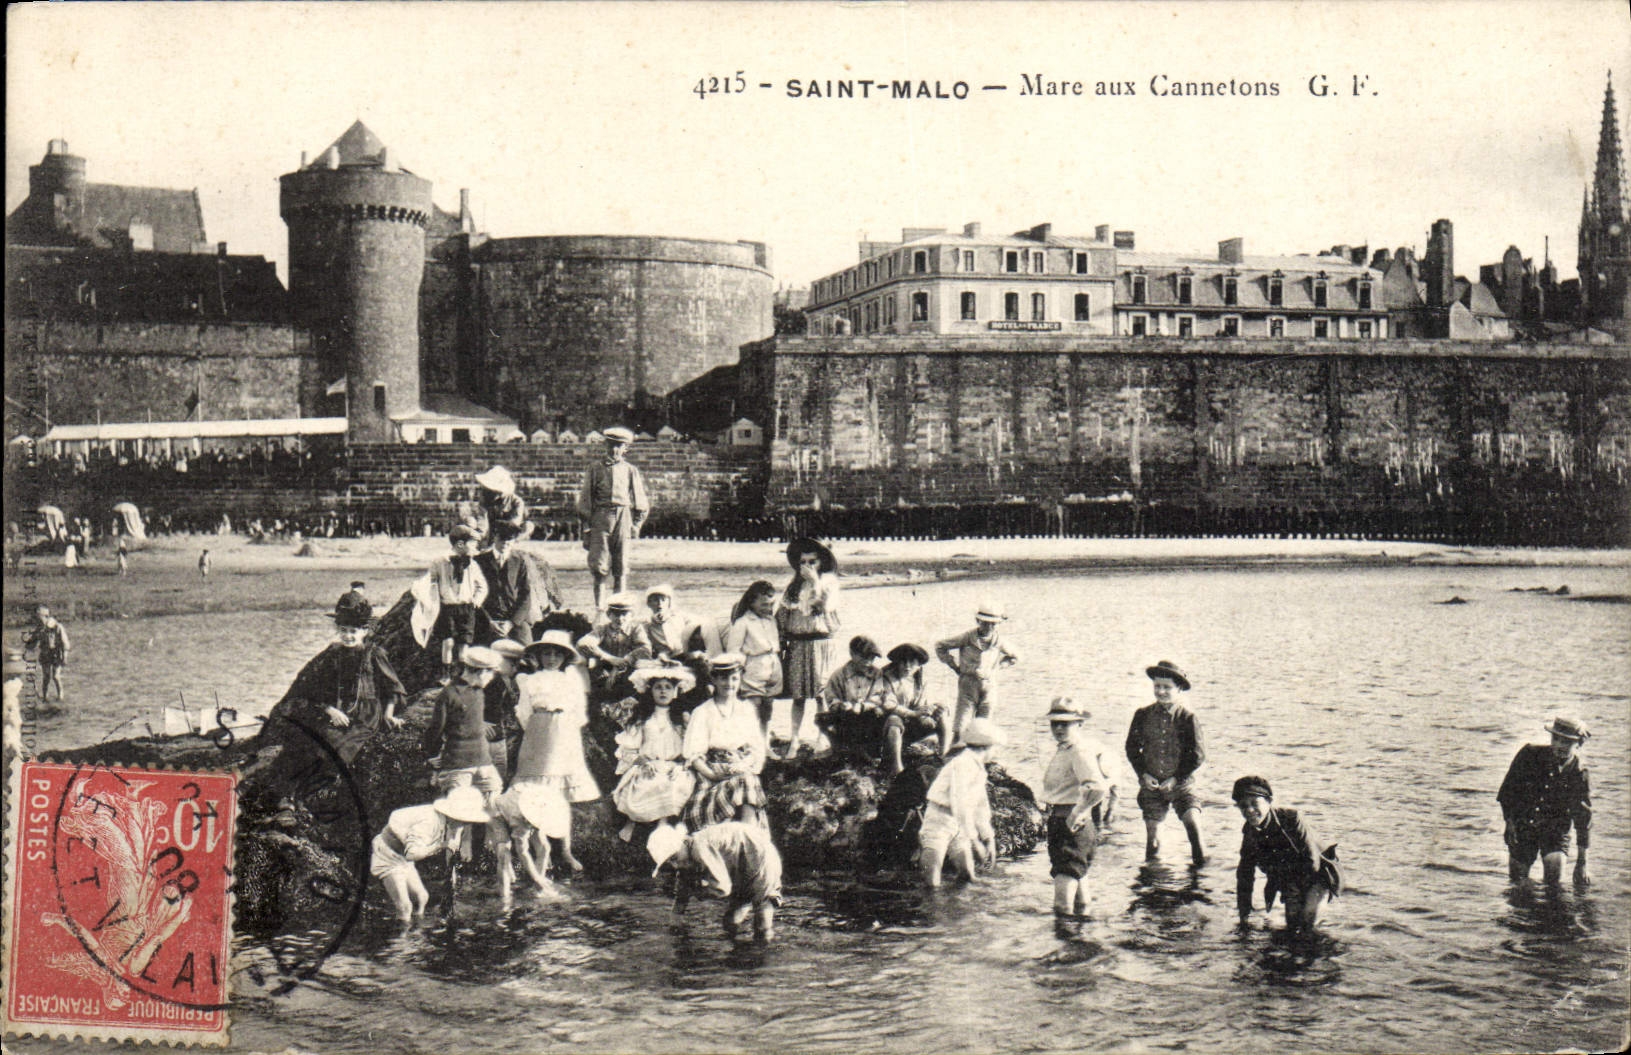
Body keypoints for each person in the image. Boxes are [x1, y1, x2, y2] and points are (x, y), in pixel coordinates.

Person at [276, 589, 407, 766]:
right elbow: (313, 687)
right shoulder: (333, 653)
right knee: (309, 743)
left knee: (335, 749)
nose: (348, 636)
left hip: (365, 716)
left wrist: (389, 715)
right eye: (343, 630)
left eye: (353, 631)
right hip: (338, 711)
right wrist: (329, 709)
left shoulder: (374, 654)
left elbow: (392, 688)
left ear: (364, 631)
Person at [514, 630, 600, 873]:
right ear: (539, 656)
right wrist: (540, 727)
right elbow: (524, 712)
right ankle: (541, 850)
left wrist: (563, 727)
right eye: (547, 654)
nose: (551, 658)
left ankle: (564, 850)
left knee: (561, 797)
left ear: (564, 658)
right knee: (538, 793)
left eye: (557, 654)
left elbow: (579, 712)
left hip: (565, 734)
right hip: (538, 734)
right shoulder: (530, 680)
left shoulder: (571, 679)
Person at [1232, 776, 1342, 932]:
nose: (1249, 810)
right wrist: (1244, 916)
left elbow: (1312, 863)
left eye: (1255, 803)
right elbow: (1245, 874)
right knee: (1292, 927)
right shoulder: (1249, 832)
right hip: (1289, 881)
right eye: (1243, 806)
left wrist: (1293, 892)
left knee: (1307, 923)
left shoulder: (1291, 820)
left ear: (1269, 802)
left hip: (1319, 875)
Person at [1125, 659, 1206, 865]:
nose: (1161, 691)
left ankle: (1201, 877)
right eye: (1157, 686)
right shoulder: (1142, 715)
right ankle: (1153, 879)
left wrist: (1176, 778)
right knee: (1153, 842)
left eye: (1167, 687)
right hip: (1152, 786)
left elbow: (1197, 755)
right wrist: (1144, 774)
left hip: (1181, 785)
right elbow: (1132, 749)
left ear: (1178, 689)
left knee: (1194, 829)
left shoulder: (1187, 718)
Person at [1039, 697, 1116, 917]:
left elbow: (1097, 788)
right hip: (1064, 823)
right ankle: (1084, 932)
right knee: (1081, 898)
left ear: (1079, 724)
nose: (1059, 728)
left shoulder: (1078, 751)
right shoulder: (1066, 749)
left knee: (1062, 906)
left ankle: (1065, 936)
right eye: (1055, 723)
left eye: (1066, 723)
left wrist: (1078, 812)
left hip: (1071, 827)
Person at [369, 786, 492, 921]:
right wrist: (440, 846)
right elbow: (412, 854)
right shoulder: (429, 822)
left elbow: (451, 846)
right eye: (464, 821)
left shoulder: (448, 821)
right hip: (388, 854)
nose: (465, 825)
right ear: (454, 815)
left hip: (403, 857)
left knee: (422, 898)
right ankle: (402, 932)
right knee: (405, 907)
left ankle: (417, 929)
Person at [649, 819, 783, 943]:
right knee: (730, 922)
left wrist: (699, 892)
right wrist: (675, 925)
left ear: (683, 842)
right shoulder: (686, 857)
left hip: (760, 855)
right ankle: (742, 953)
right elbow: (680, 899)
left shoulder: (699, 847)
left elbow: (722, 889)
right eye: (669, 862)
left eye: (674, 858)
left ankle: (764, 952)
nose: (675, 865)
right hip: (740, 864)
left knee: (762, 919)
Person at [1497, 715, 1592, 887]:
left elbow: (1583, 818)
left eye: (1567, 742)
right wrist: (1509, 823)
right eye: (1556, 739)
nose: (1559, 745)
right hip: (1524, 824)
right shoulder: (1529, 755)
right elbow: (1508, 792)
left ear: (1578, 744)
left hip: (1555, 830)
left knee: (1555, 878)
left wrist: (1582, 863)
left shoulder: (1579, 773)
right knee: (1517, 882)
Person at [681, 653, 768, 830]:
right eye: (723, 678)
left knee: (747, 780)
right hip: (712, 774)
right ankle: (741, 832)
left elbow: (756, 749)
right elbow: (694, 755)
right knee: (746, 783)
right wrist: (713, 775)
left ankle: (748, 833)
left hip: (740, 767)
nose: (729, 684)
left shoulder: (746, 709)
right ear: (713, 679)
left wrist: (743, 764)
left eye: (734, 678)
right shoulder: (703, 711)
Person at [611, 662, 698, 839]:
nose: (663, 692)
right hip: (649, 764)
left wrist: (681, 766)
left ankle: (662, 823)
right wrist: (642, 762)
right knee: (644, 783)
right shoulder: (643, 717)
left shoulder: (682, 719)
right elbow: (629, 748)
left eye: (668, 687)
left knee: (673, 784)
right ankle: (632, 821)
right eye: (658, 687)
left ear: (675, 692)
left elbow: (691, 748)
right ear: (651, 691)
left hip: (673, 766)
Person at [919, 717, 1004, 888]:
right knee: (932, 881)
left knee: (968, 875)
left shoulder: (978, 767)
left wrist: (988, 838)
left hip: (958, 823)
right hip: (939, 818)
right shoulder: (963, 764)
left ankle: (958, 899)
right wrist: (974, 840)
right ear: (986, 746)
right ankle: (930, 899)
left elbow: (980, 807)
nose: (996, 752)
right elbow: (960, 803)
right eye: (995, 748)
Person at [778, 538, 841, 759]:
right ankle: (794, 738)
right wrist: (781, 638)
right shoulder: (793, 587)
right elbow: (783, 614)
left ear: (820, 562)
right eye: (803, 562)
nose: (807, 566)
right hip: (798, 644)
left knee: (821, 693)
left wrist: (815, 582)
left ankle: (822, 737)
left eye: (812, 561)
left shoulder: (828, 583)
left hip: (820, 643)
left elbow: (822, 607)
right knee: (798, 695)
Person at [576, 426, 649, 609]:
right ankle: (600, 608)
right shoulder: (594, 468)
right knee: (599, 566)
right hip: (600, 517)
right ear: (605, 446)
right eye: (611, 445)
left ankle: (618, 607)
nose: (614, 449)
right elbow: (585, 499)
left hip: (623, 516)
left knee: (621, 566)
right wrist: (587, 528)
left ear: (625, 448)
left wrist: (637, 524)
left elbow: (640, 499)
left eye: (619, 446)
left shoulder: (630, 470)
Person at [424, 645, 506, 803]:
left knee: (494, 801)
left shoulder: (479, 692)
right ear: (481, 672)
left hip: (484, 762)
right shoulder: (449, 694)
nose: (491, 678)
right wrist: (431, 756)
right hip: (458, 764)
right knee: (458, 809)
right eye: (491, 673)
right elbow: (435, 730)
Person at [935, 602, 1019, 740]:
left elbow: (1015, 657)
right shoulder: (967, 637)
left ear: (998, 624)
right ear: (978, 621)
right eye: (985, 623)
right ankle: (955, 750)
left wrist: (997, 668)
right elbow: (940, 646)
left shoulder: (999, 641)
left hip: (989, 686)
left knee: (983, 727)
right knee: (961, 726)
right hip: (968, 684)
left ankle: (980, 753)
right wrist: (954, 666)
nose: (989, 627)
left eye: (993, 624)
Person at [417, 524, 489, 674]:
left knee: (464, 642)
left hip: (466, 608)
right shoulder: (440, 562)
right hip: (447, 608)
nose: (476, 547)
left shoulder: (472, 564)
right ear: (460, 544)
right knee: (448, 641)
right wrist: (434, 601)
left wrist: (476, 601)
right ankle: (446, 673)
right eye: (473, 544)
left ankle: (462, 673)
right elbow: (431, 582)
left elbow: (482, 586)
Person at [724, 581, 783, 750]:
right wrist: (739, 672)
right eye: (764, 604)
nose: (768, 608)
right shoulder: (743, 622)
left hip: (772, 667)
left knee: (767, 709)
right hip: (753, 668)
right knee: (752, 708)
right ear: (751, 602)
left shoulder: (771, 621)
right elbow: (733, 651)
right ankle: (750, 746)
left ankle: (765, 745)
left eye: (771, 604)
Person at [489, 780, 568, 905]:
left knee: (545, 847)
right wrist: (536, 878)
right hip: (497, 813)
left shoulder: (537, 796)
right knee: (504, 853)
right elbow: (522, 852)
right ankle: (505, 896)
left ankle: (538, 889)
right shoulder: (520, 821)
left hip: (523, 807)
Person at [877, 643, 951, 773]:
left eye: (912, 662)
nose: (907, 666)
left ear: (919, 665)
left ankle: (944, 757)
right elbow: (889, 705)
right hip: (888, 728)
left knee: (942, 711)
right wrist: (913, 713)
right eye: (903, 662)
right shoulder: (886, 678)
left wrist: (931, 709)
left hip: (911, 725)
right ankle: (896, 768)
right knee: (894, 719)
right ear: (897, 663)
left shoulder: (920, 680)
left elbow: (921, 704)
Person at [817, 635, 887, 759]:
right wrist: (841, 705)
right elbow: (831, 697)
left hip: (868, 715)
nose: (868, 662)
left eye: (872, 658)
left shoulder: (877, 674)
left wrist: (862, 706)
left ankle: (869, 751)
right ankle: (843, 750)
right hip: (847, 716)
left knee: (878, 715)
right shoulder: (839, 675)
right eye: (864, 657)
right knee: (822, 719)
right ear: (852, 654)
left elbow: (877, 696)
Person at [578, 594, 652, 700]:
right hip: (604, 669)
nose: (620, 618)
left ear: (631, 615)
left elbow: (645, 650)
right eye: (616, 614)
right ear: (609, 614)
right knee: (596, 688)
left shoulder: (635, 629)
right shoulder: (602, 629)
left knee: (632, 686)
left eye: (624, 614)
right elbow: (583, 643)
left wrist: (622, 662)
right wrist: (609, 658)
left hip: (628, 669)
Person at [476, 521, 537, 645]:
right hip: (486, 619)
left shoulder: (519, 561)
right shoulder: (479, 561)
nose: (505, 543)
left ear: (514, 540)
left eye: (509, 540)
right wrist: (488, 621)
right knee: (479, 652)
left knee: (527, 651)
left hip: (514, 619)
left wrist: (512, 623)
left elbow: (526, 595)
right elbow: (473, 595)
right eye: (501, 539)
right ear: (494, 537)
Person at [474, 464, 531, 547]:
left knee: (529, 526)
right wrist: (480, 536)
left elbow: (515, 523)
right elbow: (482, 520)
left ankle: (511, 544)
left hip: (509, 532)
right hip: (491, 531)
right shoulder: (485, 499)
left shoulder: (516, 501)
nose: (487, 492)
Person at [24, 605, 69, 704]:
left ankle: (60, 696)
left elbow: (65, 643)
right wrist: (27, 647)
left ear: (46, 616)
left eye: (39, 618)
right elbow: (33, 642)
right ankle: (45, 696)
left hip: (56, 654)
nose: (37, 620)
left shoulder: (57, 627)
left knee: (56, 676)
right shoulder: (39, 628)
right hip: (45, 655)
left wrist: (65, 656)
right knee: (46, 676)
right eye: (37, 618)